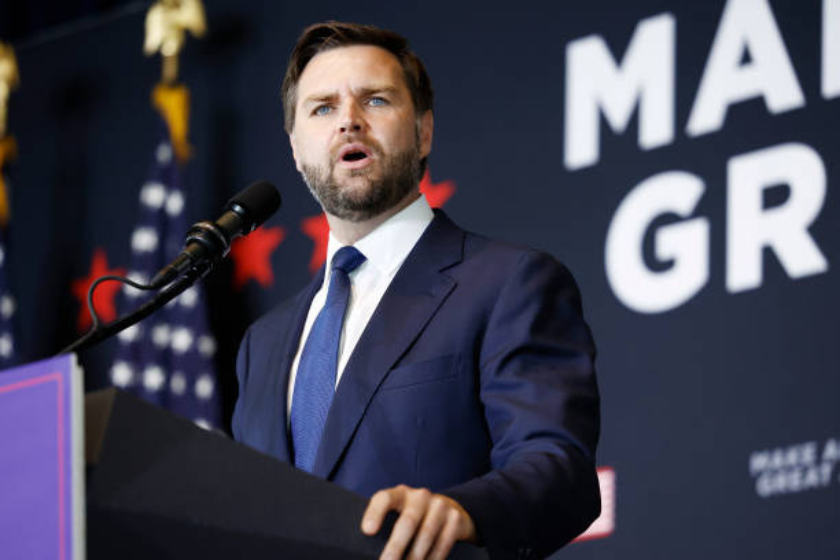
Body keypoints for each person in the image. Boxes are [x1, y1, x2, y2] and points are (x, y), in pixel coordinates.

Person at [232, 21, 601, 560]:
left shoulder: (508, 283)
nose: (349, 121)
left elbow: (559, 468)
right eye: (323, 108)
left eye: (375, 100)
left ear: (424, 132)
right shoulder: (260, 346)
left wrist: (464, 512)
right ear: (295, 148)